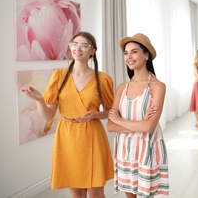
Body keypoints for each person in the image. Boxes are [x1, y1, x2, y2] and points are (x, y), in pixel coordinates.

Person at [21, 31, 114, 197]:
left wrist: (95, 115)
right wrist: (40, 101)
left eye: (84, 45)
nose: (78, 48)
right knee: (76, 193)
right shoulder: (59, 76)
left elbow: (111, 111)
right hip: (67, 137)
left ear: (92, 51)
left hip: (92, 135)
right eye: (74, 44)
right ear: (70, 48)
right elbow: (48, 116)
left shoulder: (103, 79)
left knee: (96, 193)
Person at [108, 33, 169, 197]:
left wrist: (121, 120)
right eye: (126, 53)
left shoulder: (157, 87)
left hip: (146, 148)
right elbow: (110, 126)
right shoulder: (122, 88)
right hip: (125, 149)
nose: (129, 57)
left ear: (146, 54)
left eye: (134, 52)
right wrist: (140, 123)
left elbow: (149, 127)